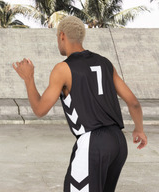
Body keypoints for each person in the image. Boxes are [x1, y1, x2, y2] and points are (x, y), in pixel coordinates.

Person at [13, 16, 147, 192]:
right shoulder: (105, 63)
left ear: (62, 36)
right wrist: (139, 129)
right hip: (118, 142)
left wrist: (29, 78)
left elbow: (39, 109)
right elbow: (134, 103)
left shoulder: (63, 69)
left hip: (93, 143)